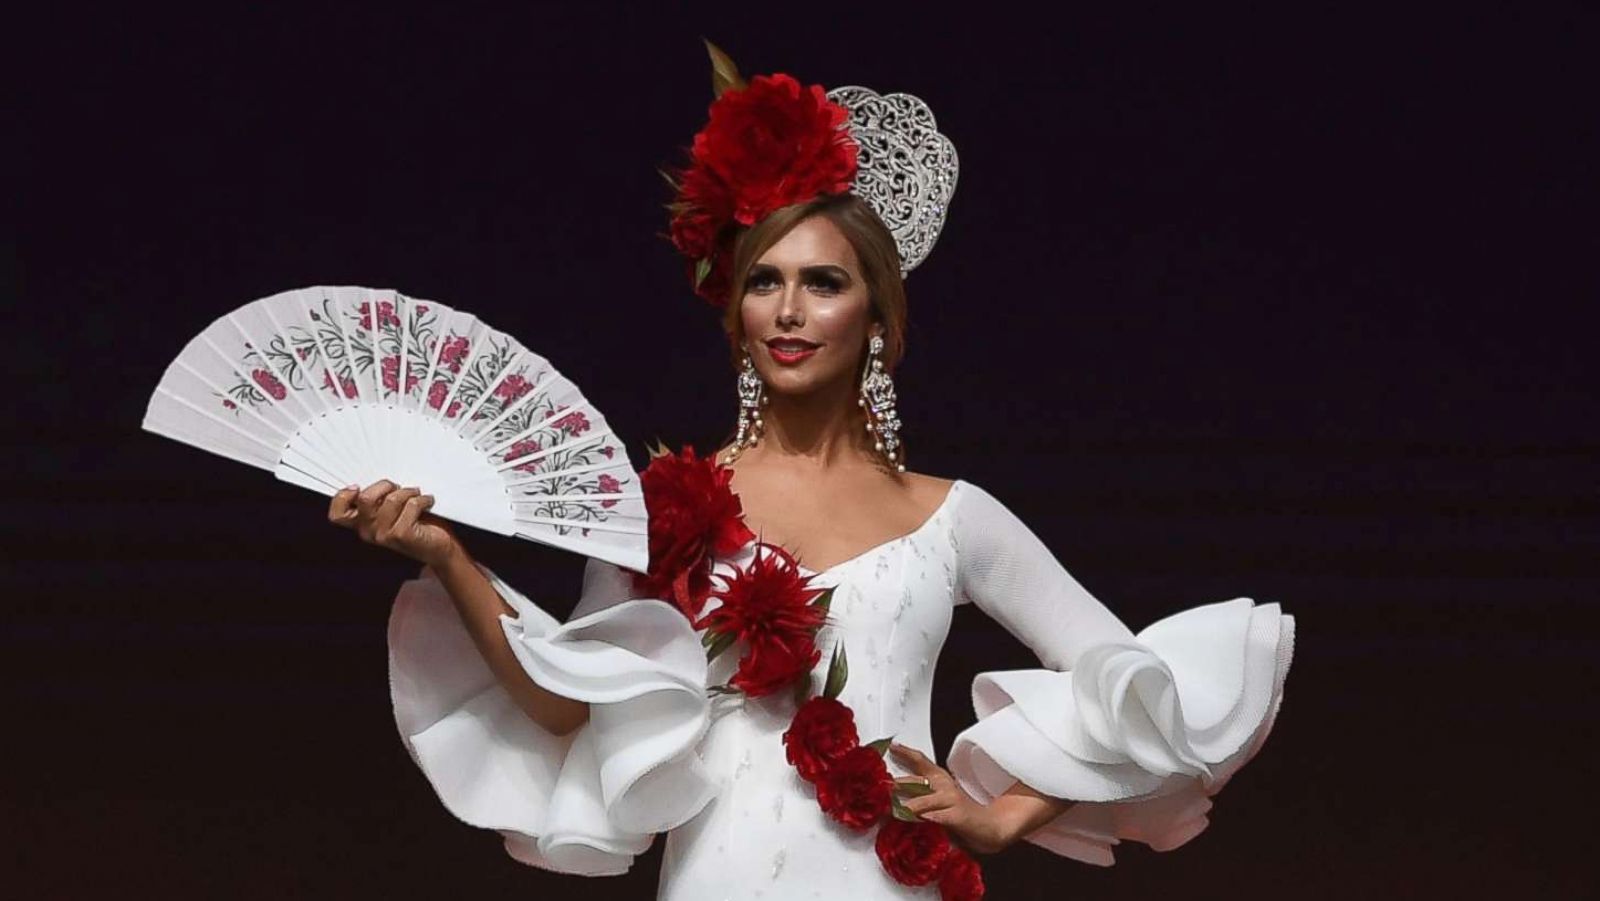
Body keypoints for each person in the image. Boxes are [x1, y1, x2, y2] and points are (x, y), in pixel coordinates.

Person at [328, 48, 1294, 900]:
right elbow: (565, 705)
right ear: (737, 314)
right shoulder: (666, 507)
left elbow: (1136, 682)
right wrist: (448, 556)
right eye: (764, 280)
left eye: (823, 282)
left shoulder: (954, 518)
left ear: (876, 317)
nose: (790, 308)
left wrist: (1008, 814)